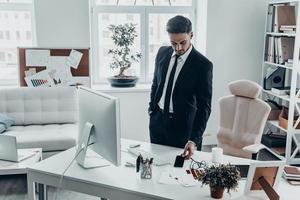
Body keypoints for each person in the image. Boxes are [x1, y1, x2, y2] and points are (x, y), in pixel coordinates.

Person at [148, 15, 213, 159]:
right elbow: (155, 83)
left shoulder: (203, 65)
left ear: (191, 35)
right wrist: (152, 109)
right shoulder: (162, 53)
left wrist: (193, 139)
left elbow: (205, 107)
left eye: (183, 43)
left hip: (183, 129)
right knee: (157, 165)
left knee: (180, 172)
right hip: (157, 122)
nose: (178, 48)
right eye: (173, 43)